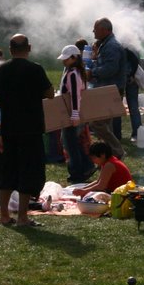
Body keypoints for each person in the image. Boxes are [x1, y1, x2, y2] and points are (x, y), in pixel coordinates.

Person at [0, 34, 53, 228]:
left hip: (9, 126)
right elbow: (50, 93)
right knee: (29, 171)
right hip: (31, 127)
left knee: (8, 169)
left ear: (10, 50)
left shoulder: (0, 70)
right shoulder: (35, 69)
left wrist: (9, 108)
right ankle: (23, 218)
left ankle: (4, 215)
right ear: (29, 48)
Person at [56, 44, 96, 184]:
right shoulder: (76, 71)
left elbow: (75, 95)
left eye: (66, 59)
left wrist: (74, 114)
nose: (64, 61)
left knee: (70, 144)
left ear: (74, 58)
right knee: (75, 143)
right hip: (76, 113)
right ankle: (86, 167)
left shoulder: (73, 73)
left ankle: (77, 173)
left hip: (73, 114)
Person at [87, 17, 126, 158]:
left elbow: (111, 68)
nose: (93, 31)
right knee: (105, 124)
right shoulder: (106, 44)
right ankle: (111, 155)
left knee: (97, 123)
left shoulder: (111, 46)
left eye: (95, 29)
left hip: (110, 90)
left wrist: (92, 72)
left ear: (105, 30)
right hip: (108, 89)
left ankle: (117, 151)